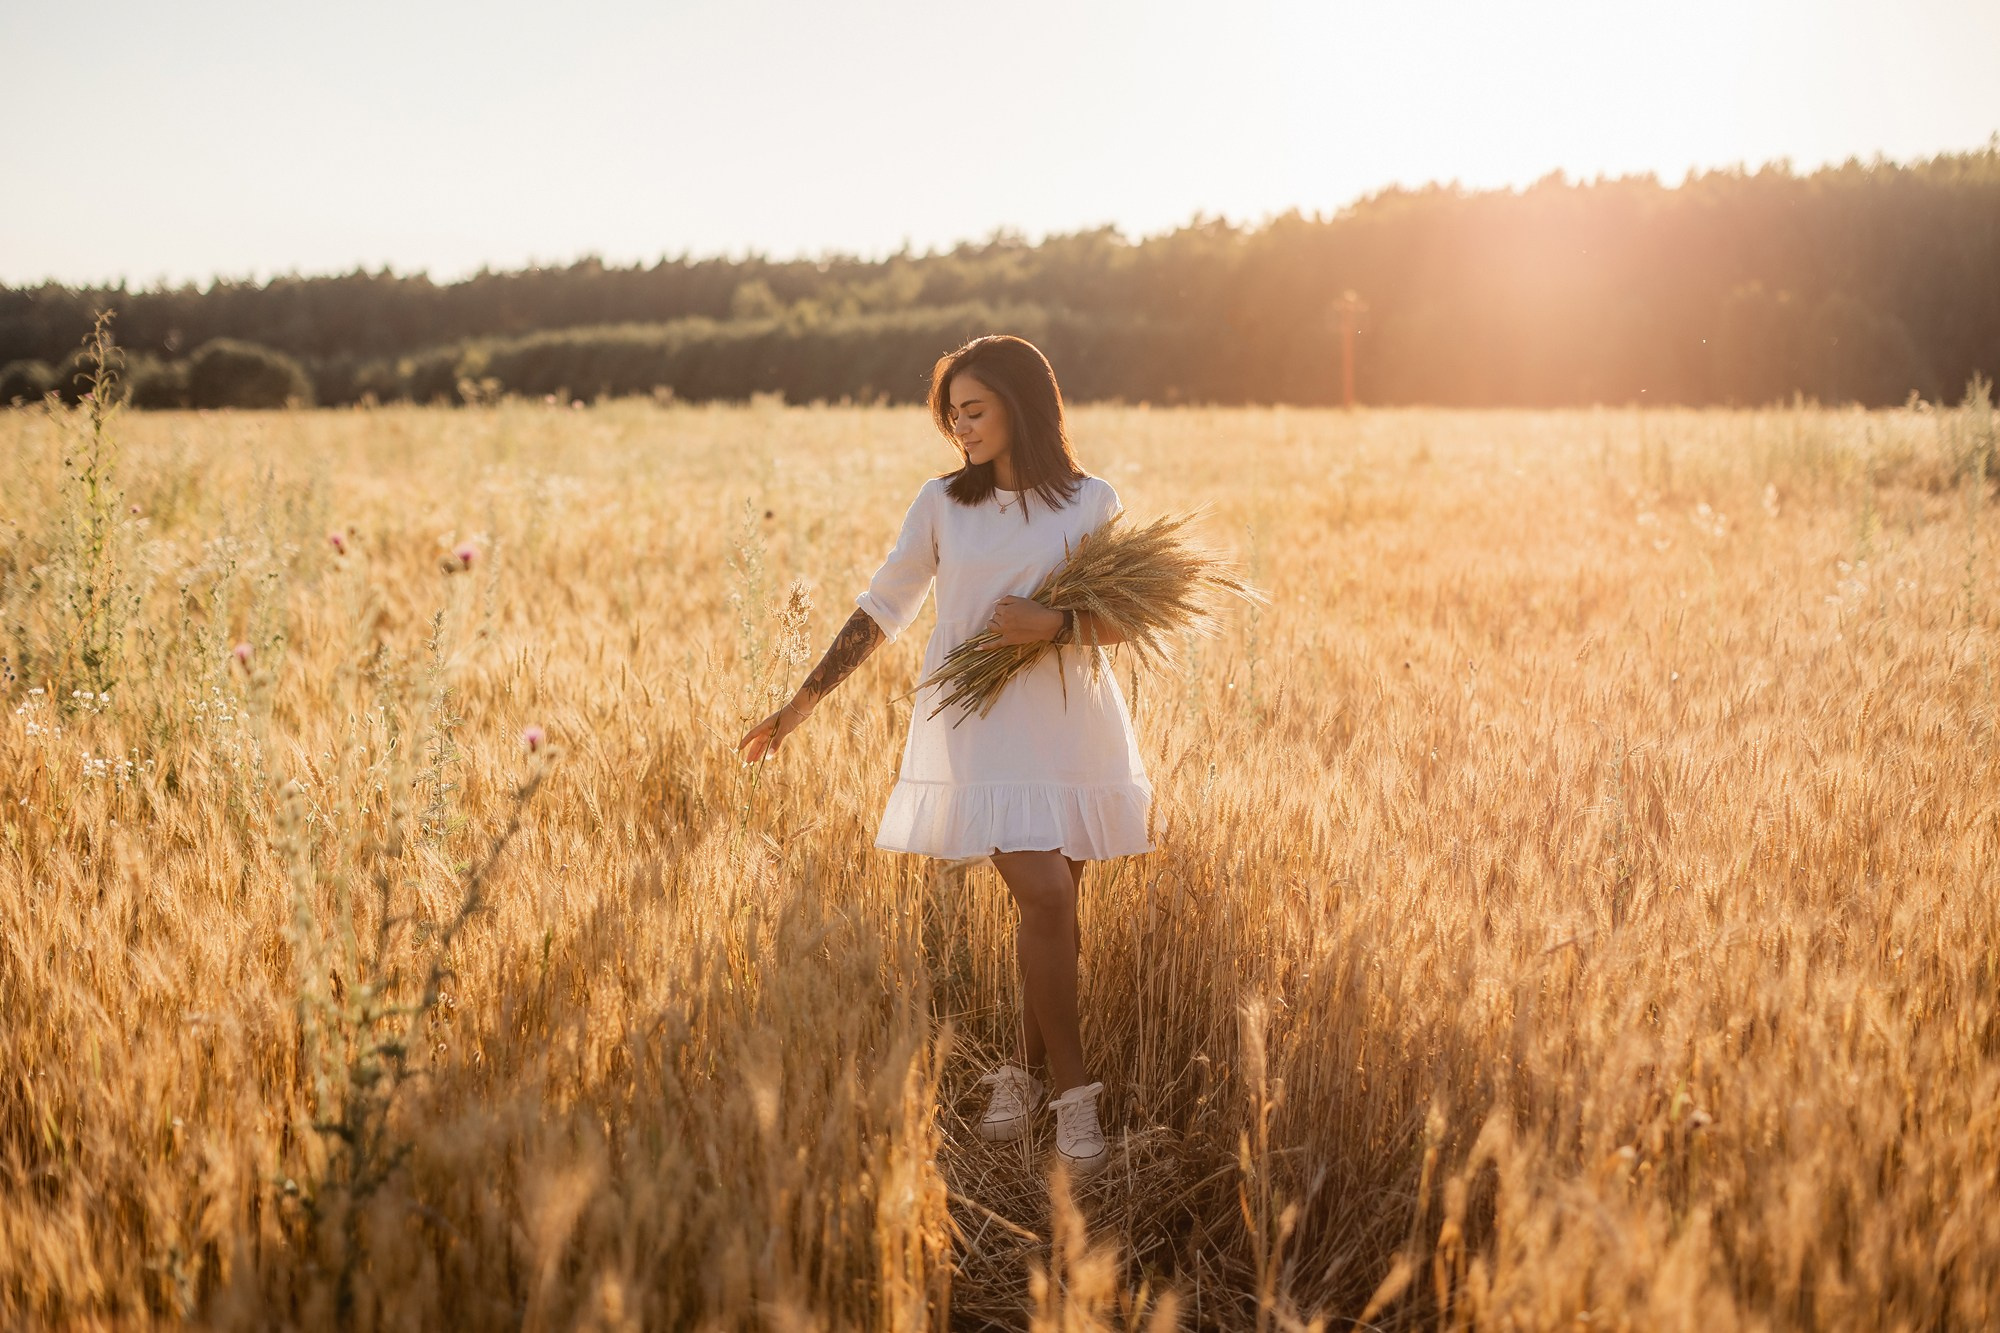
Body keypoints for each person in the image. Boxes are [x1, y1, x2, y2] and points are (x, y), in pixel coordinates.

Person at [737, 334, 1152, 1175]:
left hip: (1072, 718)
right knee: (1042, 891)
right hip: (979, 719)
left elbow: (1128, 615)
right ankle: (1077, 1099)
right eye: (951, 414)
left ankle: (1020, 1074)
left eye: (974, 410)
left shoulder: (1091, 500)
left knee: (1057, 904)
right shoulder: (942, 504)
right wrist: (800, 704)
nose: (960, 428)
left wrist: (1057, 625)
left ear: (1023, 404)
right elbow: (883, 606)